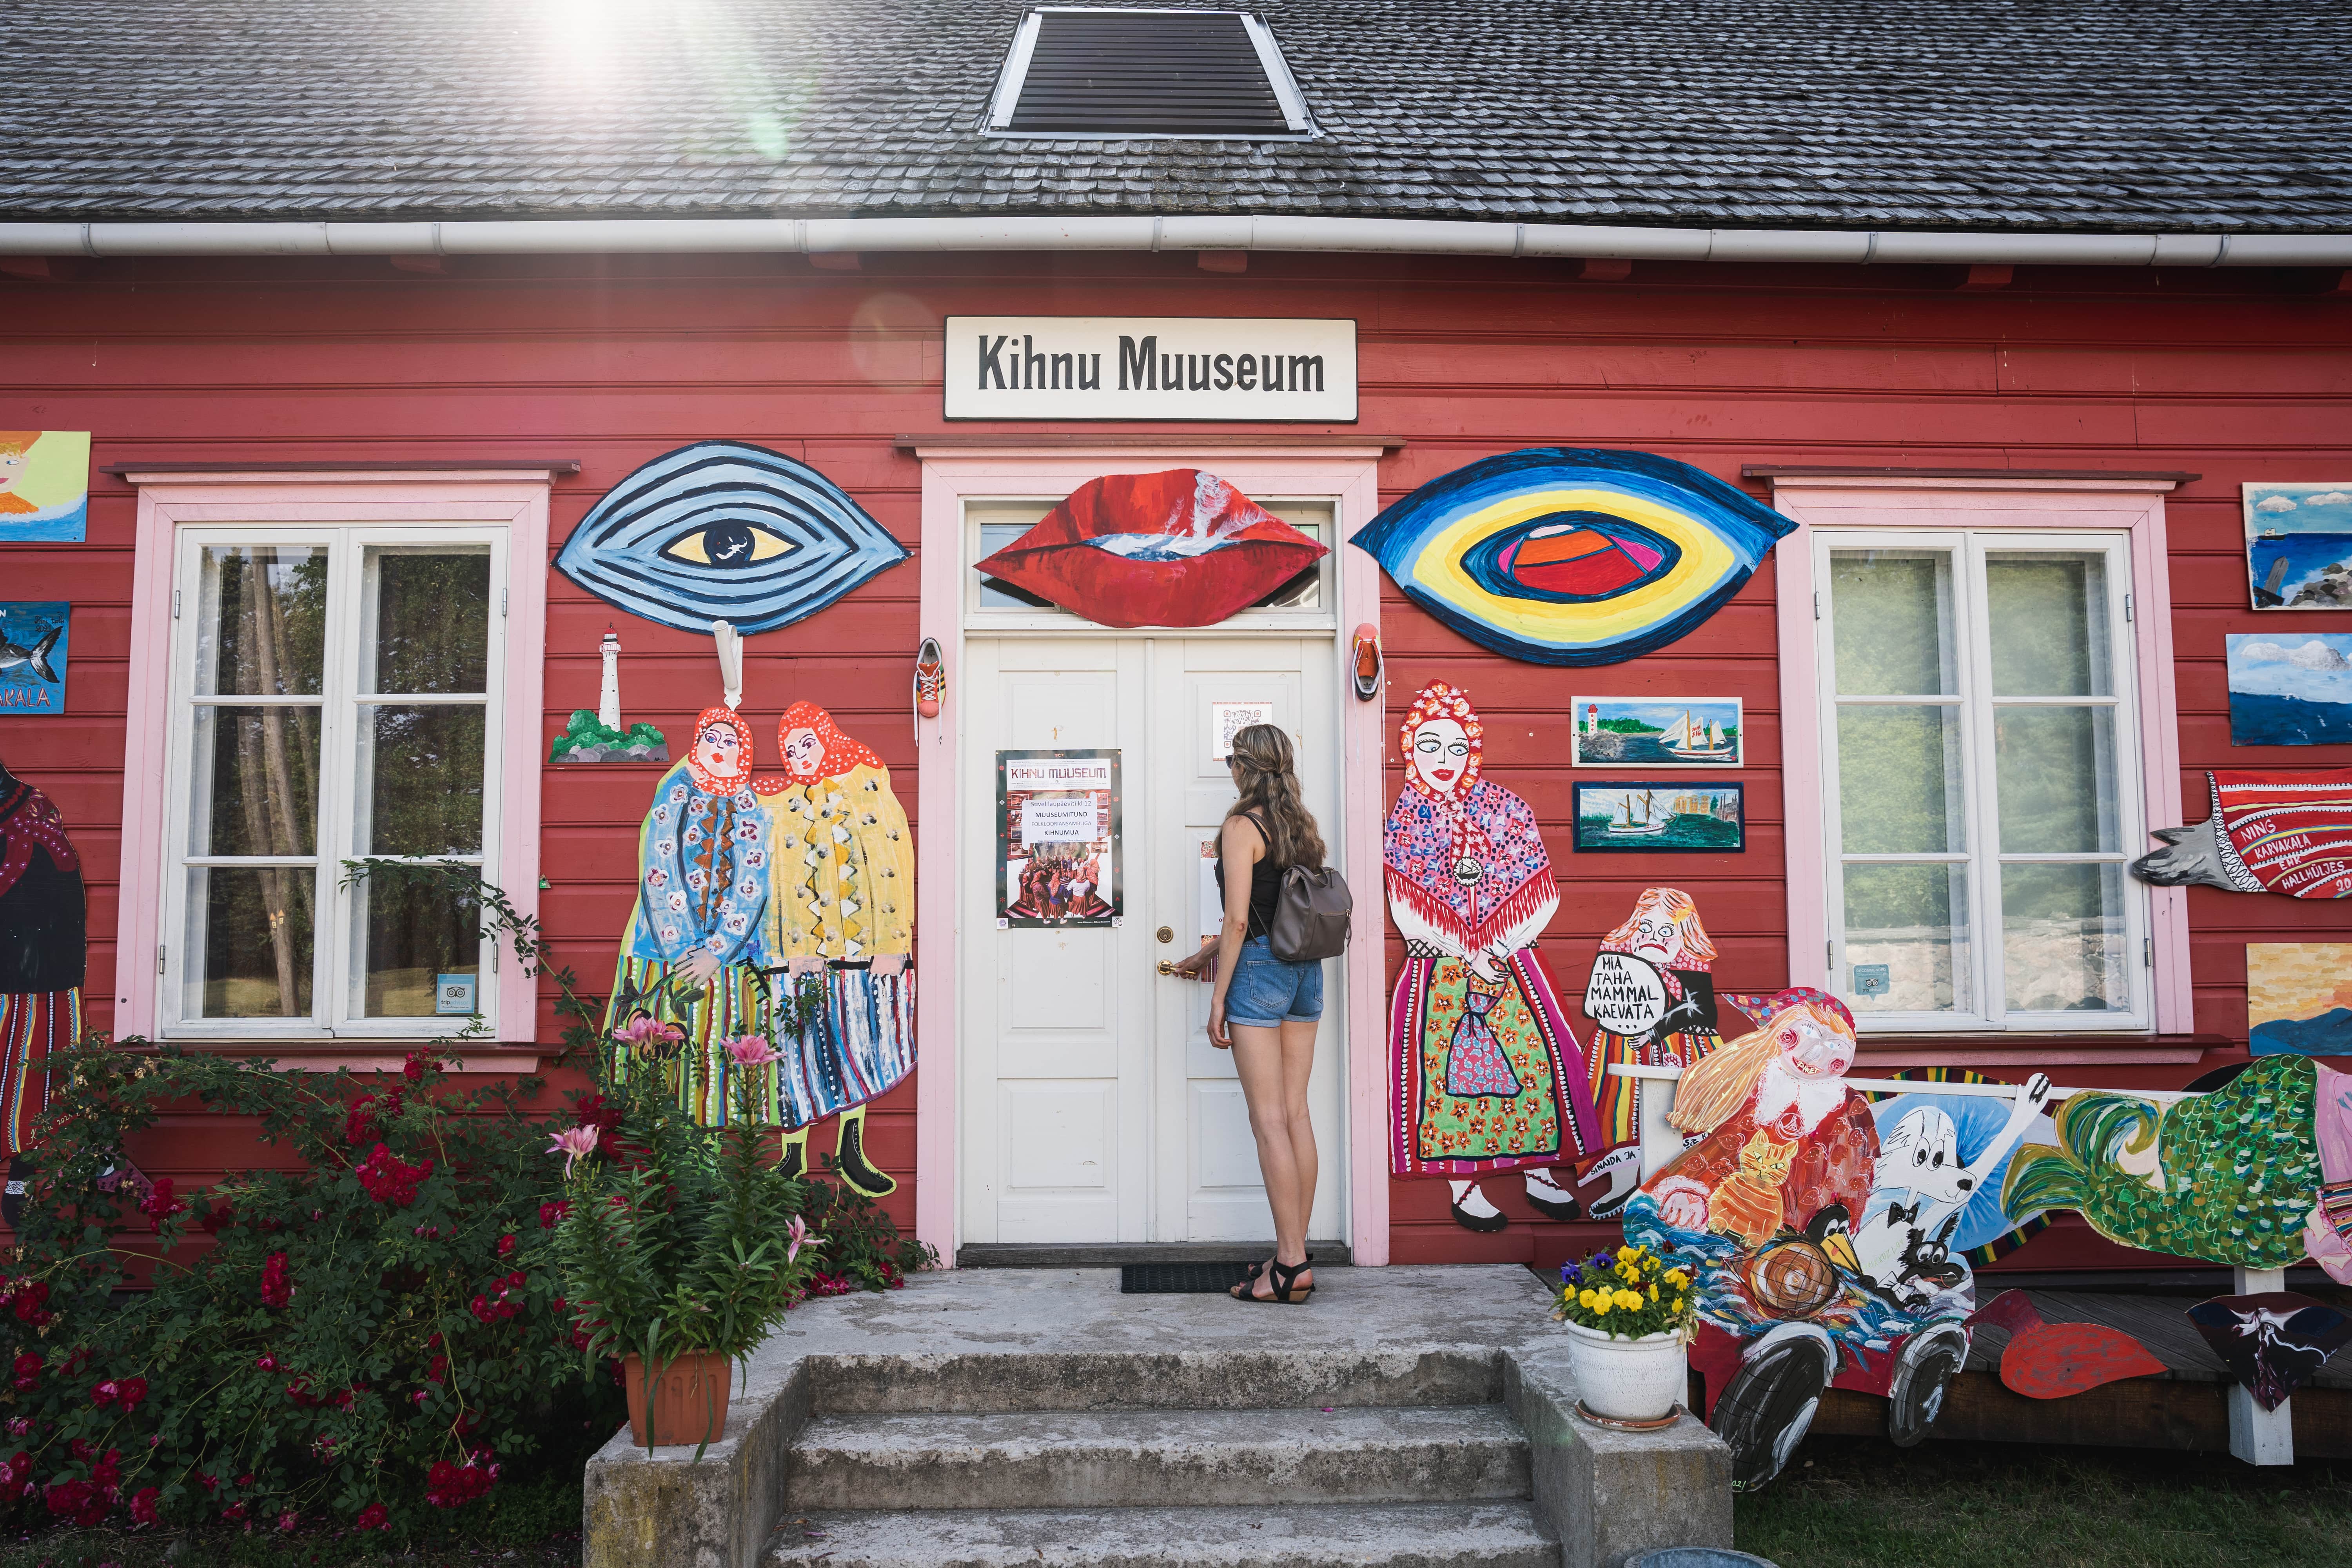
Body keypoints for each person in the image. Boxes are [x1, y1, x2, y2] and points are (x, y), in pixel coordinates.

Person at [1382, 682, 1599, 1232]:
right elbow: (1404, 899)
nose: (1443, 761)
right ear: (1411, 750)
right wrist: (1464, 952)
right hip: (1442, 969)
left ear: (1472, 751)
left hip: (1509, 964)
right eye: (1430, 745)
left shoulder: (1506, 809)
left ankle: (1539, 1170)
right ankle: (1463, 1181)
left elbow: (1542, 889)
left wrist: (1497, 950)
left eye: (1456, 748)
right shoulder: (1406, 818)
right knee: (1451, 1077)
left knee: (1530, 1067)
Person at [1170, 723, 1326, 1304]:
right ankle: (1296, 1253)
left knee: (1268, 1122)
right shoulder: (1300, 827)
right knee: (1296, 1115)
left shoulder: (1241, 827)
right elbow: (1276, 908)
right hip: (1305, 972)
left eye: (1232, 761)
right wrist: (1205, 954)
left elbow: (1240, 920)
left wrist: (1218, 993)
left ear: (1244, 767)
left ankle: (1287, 1268)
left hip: (1259, 975)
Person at [752, 701, 914, 1197]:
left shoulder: (864, 787)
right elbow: (768, 881)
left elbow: (891, 863)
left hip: (864, 955)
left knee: (859, 1046)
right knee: (796, 1051)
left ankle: (851, 1148)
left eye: (808, 744)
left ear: (827, 738)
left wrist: (894, 945)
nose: (800, 756)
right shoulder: (778, 801)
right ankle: (793, 1154)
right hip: (797, 957)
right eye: (790, 748)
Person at [607, 706, 773, 1122]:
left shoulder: (749, 804)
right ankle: (671, 1146)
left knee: (723, 1061)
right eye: (710, 739)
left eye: (730, 741)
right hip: (667, 953)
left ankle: (714, 1155)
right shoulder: (677, 792)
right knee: (665, 1055)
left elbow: (753, 878)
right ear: (697, 744)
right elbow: (659, 869)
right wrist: (684, 949)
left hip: (732, 959)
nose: (719, 748)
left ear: (744, 752)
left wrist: (717, 951)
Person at [1641, 988, 1875, 1248]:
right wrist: (1690, 1192)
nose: (1813, 1055)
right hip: (1723, 1222)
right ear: (1782, 1031)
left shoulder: (1850, 1109)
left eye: (1833, 1046)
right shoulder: (1756, 1088)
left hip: (1802, 1245)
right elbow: (1716, 1153)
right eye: (1808, 1032)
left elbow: (1854, 1187)